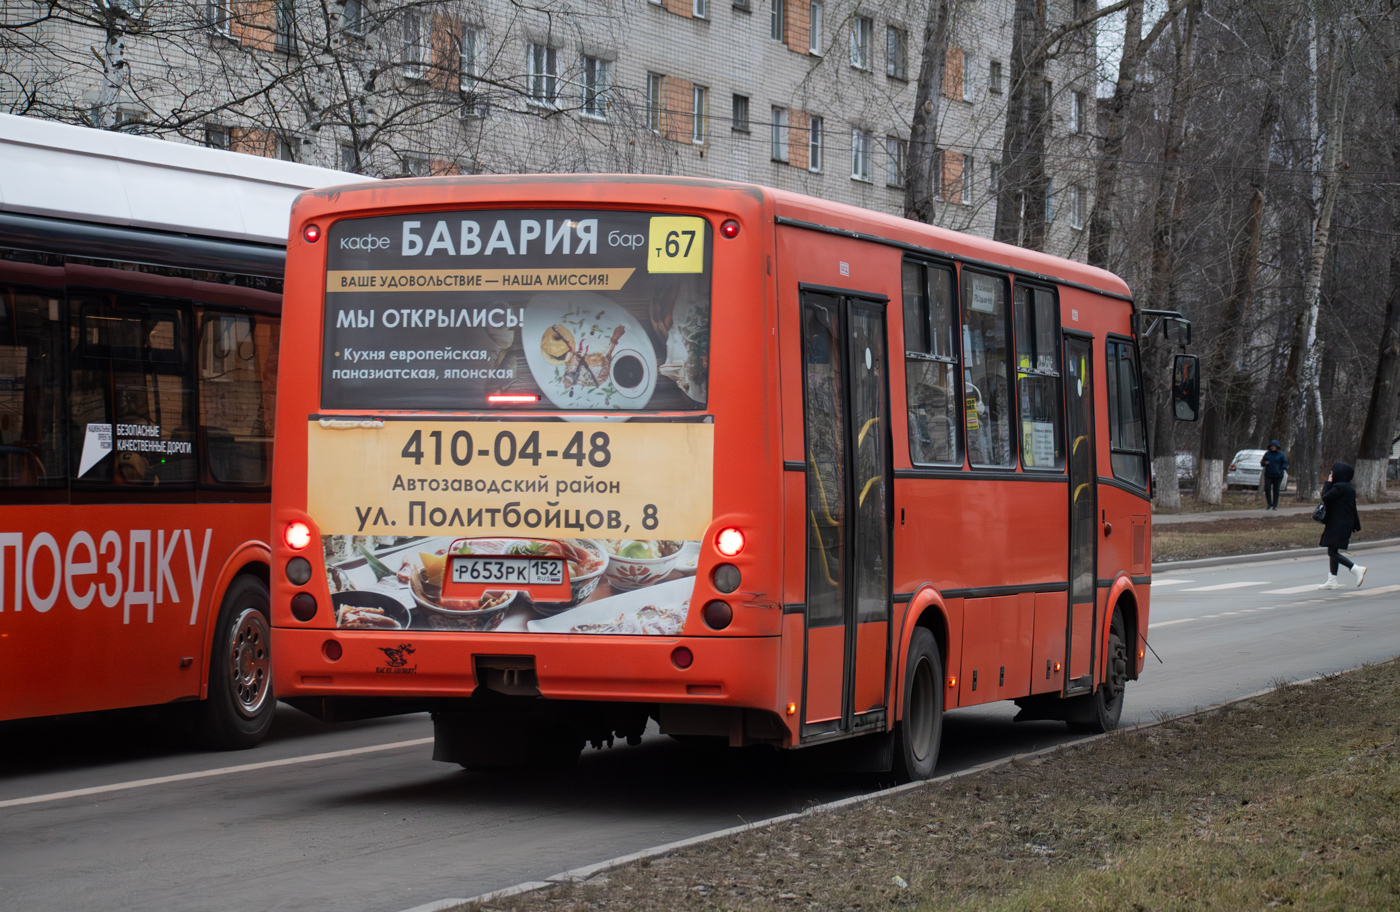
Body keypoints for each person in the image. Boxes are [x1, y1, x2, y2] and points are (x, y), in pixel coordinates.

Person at [1318, 462, 1366, 589]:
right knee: (1332, 550)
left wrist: (1327, 483)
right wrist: (1356, 525)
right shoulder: (1348, 488)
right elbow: (1352, 508)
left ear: (1339, 474)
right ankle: (1332, 580)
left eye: (1332, 473)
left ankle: (1356, 569)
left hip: (1337, 525)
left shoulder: (1339, 488)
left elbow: (1325, 497)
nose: (1330, 475)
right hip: (1342, 524)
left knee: (1332, 552)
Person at [1260, 440, 1288, 510]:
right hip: (1268, 474)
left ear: (1277, 447)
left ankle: (1275, 505)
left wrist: (1282, 468)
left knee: (1276, 490)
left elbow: (1285, 463)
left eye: (1274, 446)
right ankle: (1269, 503)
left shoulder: (1281, 454)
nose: (1272, 447)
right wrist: (1264, 463)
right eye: (1271, 446)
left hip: (1278, 475)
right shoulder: (1267, 454)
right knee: (1267, 489)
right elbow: (1262, 462)